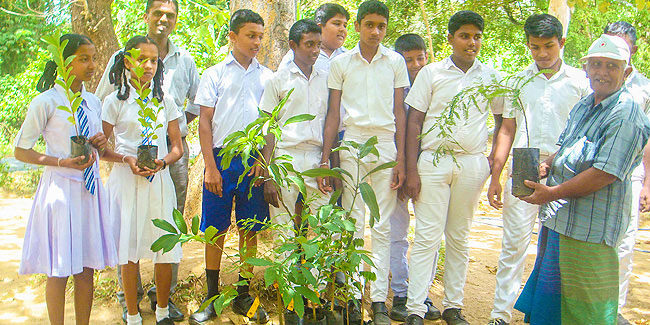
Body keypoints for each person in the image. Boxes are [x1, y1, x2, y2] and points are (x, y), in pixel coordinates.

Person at [514, 34, 650, 325]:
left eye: (611, 66)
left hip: (590, 230)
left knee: (586, 309)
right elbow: (567, 146)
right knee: (554, 304)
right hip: (561, 222)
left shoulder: (625, 114)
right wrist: (546, 166)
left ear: (626, 72)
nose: (602, 72)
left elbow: (604, 173)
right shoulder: (585, 104)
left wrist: (550, 193)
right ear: (586, 68)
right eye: (596, 64)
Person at [95, 0, 199, 320]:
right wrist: (126, 158)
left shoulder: (164, 100)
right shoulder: (115, 101)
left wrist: (163, 163)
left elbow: (178, 147)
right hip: (127, 181)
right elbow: (101, 146)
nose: (150, 66)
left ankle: (164, 309)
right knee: (129, 248)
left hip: (159, 181)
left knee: (164, 246)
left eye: (154, 61)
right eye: (142, 60)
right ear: (127, 62)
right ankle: (132, 312)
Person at [485, 14, 590, 325]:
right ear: (528, 45)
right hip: (525, 161)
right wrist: (496, 175)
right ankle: (500, 314)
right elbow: (506, 129)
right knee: (514, 242)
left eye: (549, 46)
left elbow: (583, 131)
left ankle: (554, 315)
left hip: (566, 166)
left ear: (562, 43)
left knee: (560, 245)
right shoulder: (517, 82)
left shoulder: (580, 83)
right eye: (535, 47)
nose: (542, 53)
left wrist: (556, 160)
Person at [402, 10, 504, 325]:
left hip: (472, 163)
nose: (471, 42)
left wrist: (493, 169)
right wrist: (412, 169)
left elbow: (502, 122)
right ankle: (415, 308)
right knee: (427, 237)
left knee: (459, 236)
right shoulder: (431, 73)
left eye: (476, 36)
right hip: (432, 161)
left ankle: (453, 307)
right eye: (464, 36)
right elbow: (414, 121)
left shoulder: (491, 77)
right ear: (450, 38)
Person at [15, 33, 118, 325]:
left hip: (89, 192)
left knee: (86, 268)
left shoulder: (93, 102)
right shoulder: (46, 102)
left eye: (94, 58)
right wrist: (61, 161)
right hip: (60, 191)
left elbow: (101, 149)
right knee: (59, 267)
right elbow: (21, 151)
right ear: (64, 62)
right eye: (84, 59)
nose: (92, 65)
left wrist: (101, 144)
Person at [317, 1, 410, 324]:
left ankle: (379, 302)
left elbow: (400, 111)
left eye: (381, 26)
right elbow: (333, 114)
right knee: (354, 221)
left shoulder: (395, 62)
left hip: (385, 145)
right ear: (357, 26)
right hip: (352, 143)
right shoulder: (341, 64)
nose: (375, 31)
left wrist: (400, 158)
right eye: (369, 24)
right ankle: (354, 299)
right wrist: (328, 156)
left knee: (382, 223)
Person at [189, 9, 272, 325]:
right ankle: (210, 299)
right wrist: (210, 167)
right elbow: (205, 122)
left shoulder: (267, 76)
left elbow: (270, 123)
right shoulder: (214, 74)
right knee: (216, 229)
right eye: (251, 35)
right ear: (233, 37)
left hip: (253, 161)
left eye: (261, 36)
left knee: (250, 228)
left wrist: (263, 161)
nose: (257, 42)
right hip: (221, 160)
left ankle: (242, 294)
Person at [258, 19, 330, 240]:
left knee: (322, 225)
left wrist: (328, 162)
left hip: (317, 159)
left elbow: (331, 122)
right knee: (283, 226)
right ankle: (288, 276)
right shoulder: (277, 80)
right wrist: (268, 172)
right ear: (293, 45)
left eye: (318, 44)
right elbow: (268, 125)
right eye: (309, 44)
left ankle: (317, 275)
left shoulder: (327, 79)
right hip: (286, 158)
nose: (315, 51)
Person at [389, 33, 440, 322]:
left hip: (429, 170)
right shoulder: (392, 90)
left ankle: (421, 293)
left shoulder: (435, 86)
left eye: (421, 57)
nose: (416, 64)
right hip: (396, 171)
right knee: (396, 232)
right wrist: (402, 168)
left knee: (428, 235)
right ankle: (400, 292)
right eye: (409, 60)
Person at [603, 21, 650, 325]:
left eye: (622, 46)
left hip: (630, 175)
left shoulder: (644, 88)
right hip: (591, 174)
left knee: (624, 243)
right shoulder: (592, 79)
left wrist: (647, 183)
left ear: (633, 50)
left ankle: (613, 312)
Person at [278, 3, 349, 71]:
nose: (342, 29)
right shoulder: (297, 55)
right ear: (320, 27)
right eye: (337, 24)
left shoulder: (348, 57)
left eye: (345, 26)